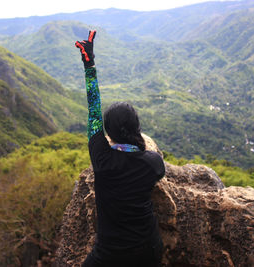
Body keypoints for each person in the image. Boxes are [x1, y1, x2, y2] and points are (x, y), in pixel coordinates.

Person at [75, 30, 165, 267]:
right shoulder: (154, 163)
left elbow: (93, 108)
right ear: (137, 128)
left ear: (109, 134)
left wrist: (89, 64)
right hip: (149, 249)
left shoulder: (102, 159)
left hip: (110, 255)